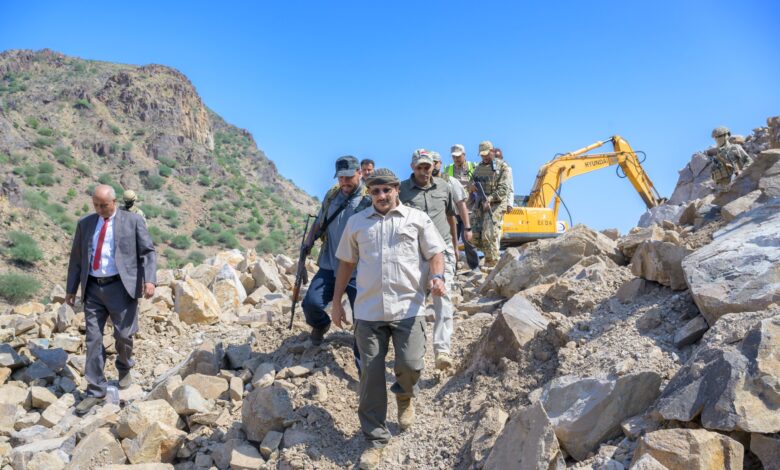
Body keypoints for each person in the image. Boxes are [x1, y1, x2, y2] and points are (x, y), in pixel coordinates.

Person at [332, 168, 446, 470]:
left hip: (409, 308)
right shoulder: (357, 224)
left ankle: (405, 395)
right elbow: (345, 264)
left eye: (386, 190)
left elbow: (436, 253)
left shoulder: (417, 219)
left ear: (396, 190)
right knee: (370, 374)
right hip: (368, 313)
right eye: (375, 192)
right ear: (369, 194)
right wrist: (336, 302)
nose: (381, 196)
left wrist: (437, 277)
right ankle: (374, 440)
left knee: (410, 365)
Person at [65, 184, 156, 413]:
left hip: (121, 287)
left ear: (113, 202)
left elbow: (147, 251)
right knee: (93, 339)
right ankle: (95, 390)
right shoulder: (85, 224)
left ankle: (124, 366)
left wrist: (150, 280)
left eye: (103, 205)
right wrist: (71, 289)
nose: (99, 209)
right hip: (93, 289)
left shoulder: (132, 221)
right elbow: (76, 258)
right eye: (95, 204)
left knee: (123, 335)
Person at [399, 150, 461, 370]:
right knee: (414, 299)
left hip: (442, 250)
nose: (424, 171)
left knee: (442, 295)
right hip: (414, 252)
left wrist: (455, 246)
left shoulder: (444, 187)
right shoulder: (402, 191)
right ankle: (412, 350)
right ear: (412, 167)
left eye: (427, 167)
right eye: (420, 168)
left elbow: (450, 217)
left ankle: (442, 350)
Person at [301, 156, 371, 347]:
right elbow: (319, 221)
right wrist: (308, 242)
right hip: (330, 264)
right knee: (311, 304)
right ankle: (321, 325)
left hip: (359, 270)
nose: (344, 182)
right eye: (340, 178)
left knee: (363, 315)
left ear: (359, 172)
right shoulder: (332, 195)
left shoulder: (369, 198)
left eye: (349, 177)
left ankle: (363, 344)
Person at [469, 140, 510, 268]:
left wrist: (490, 199)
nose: (484, 157)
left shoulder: (502, 167)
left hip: (496, 204)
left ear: (492, 151)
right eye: (482, 155)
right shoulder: (478, 168)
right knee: (473, 235)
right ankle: (488, 256)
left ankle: (492, 262)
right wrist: (472, 187)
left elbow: (504, 189)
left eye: (487, 154)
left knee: (489, 234)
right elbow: (472, 182)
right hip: (480, 203)